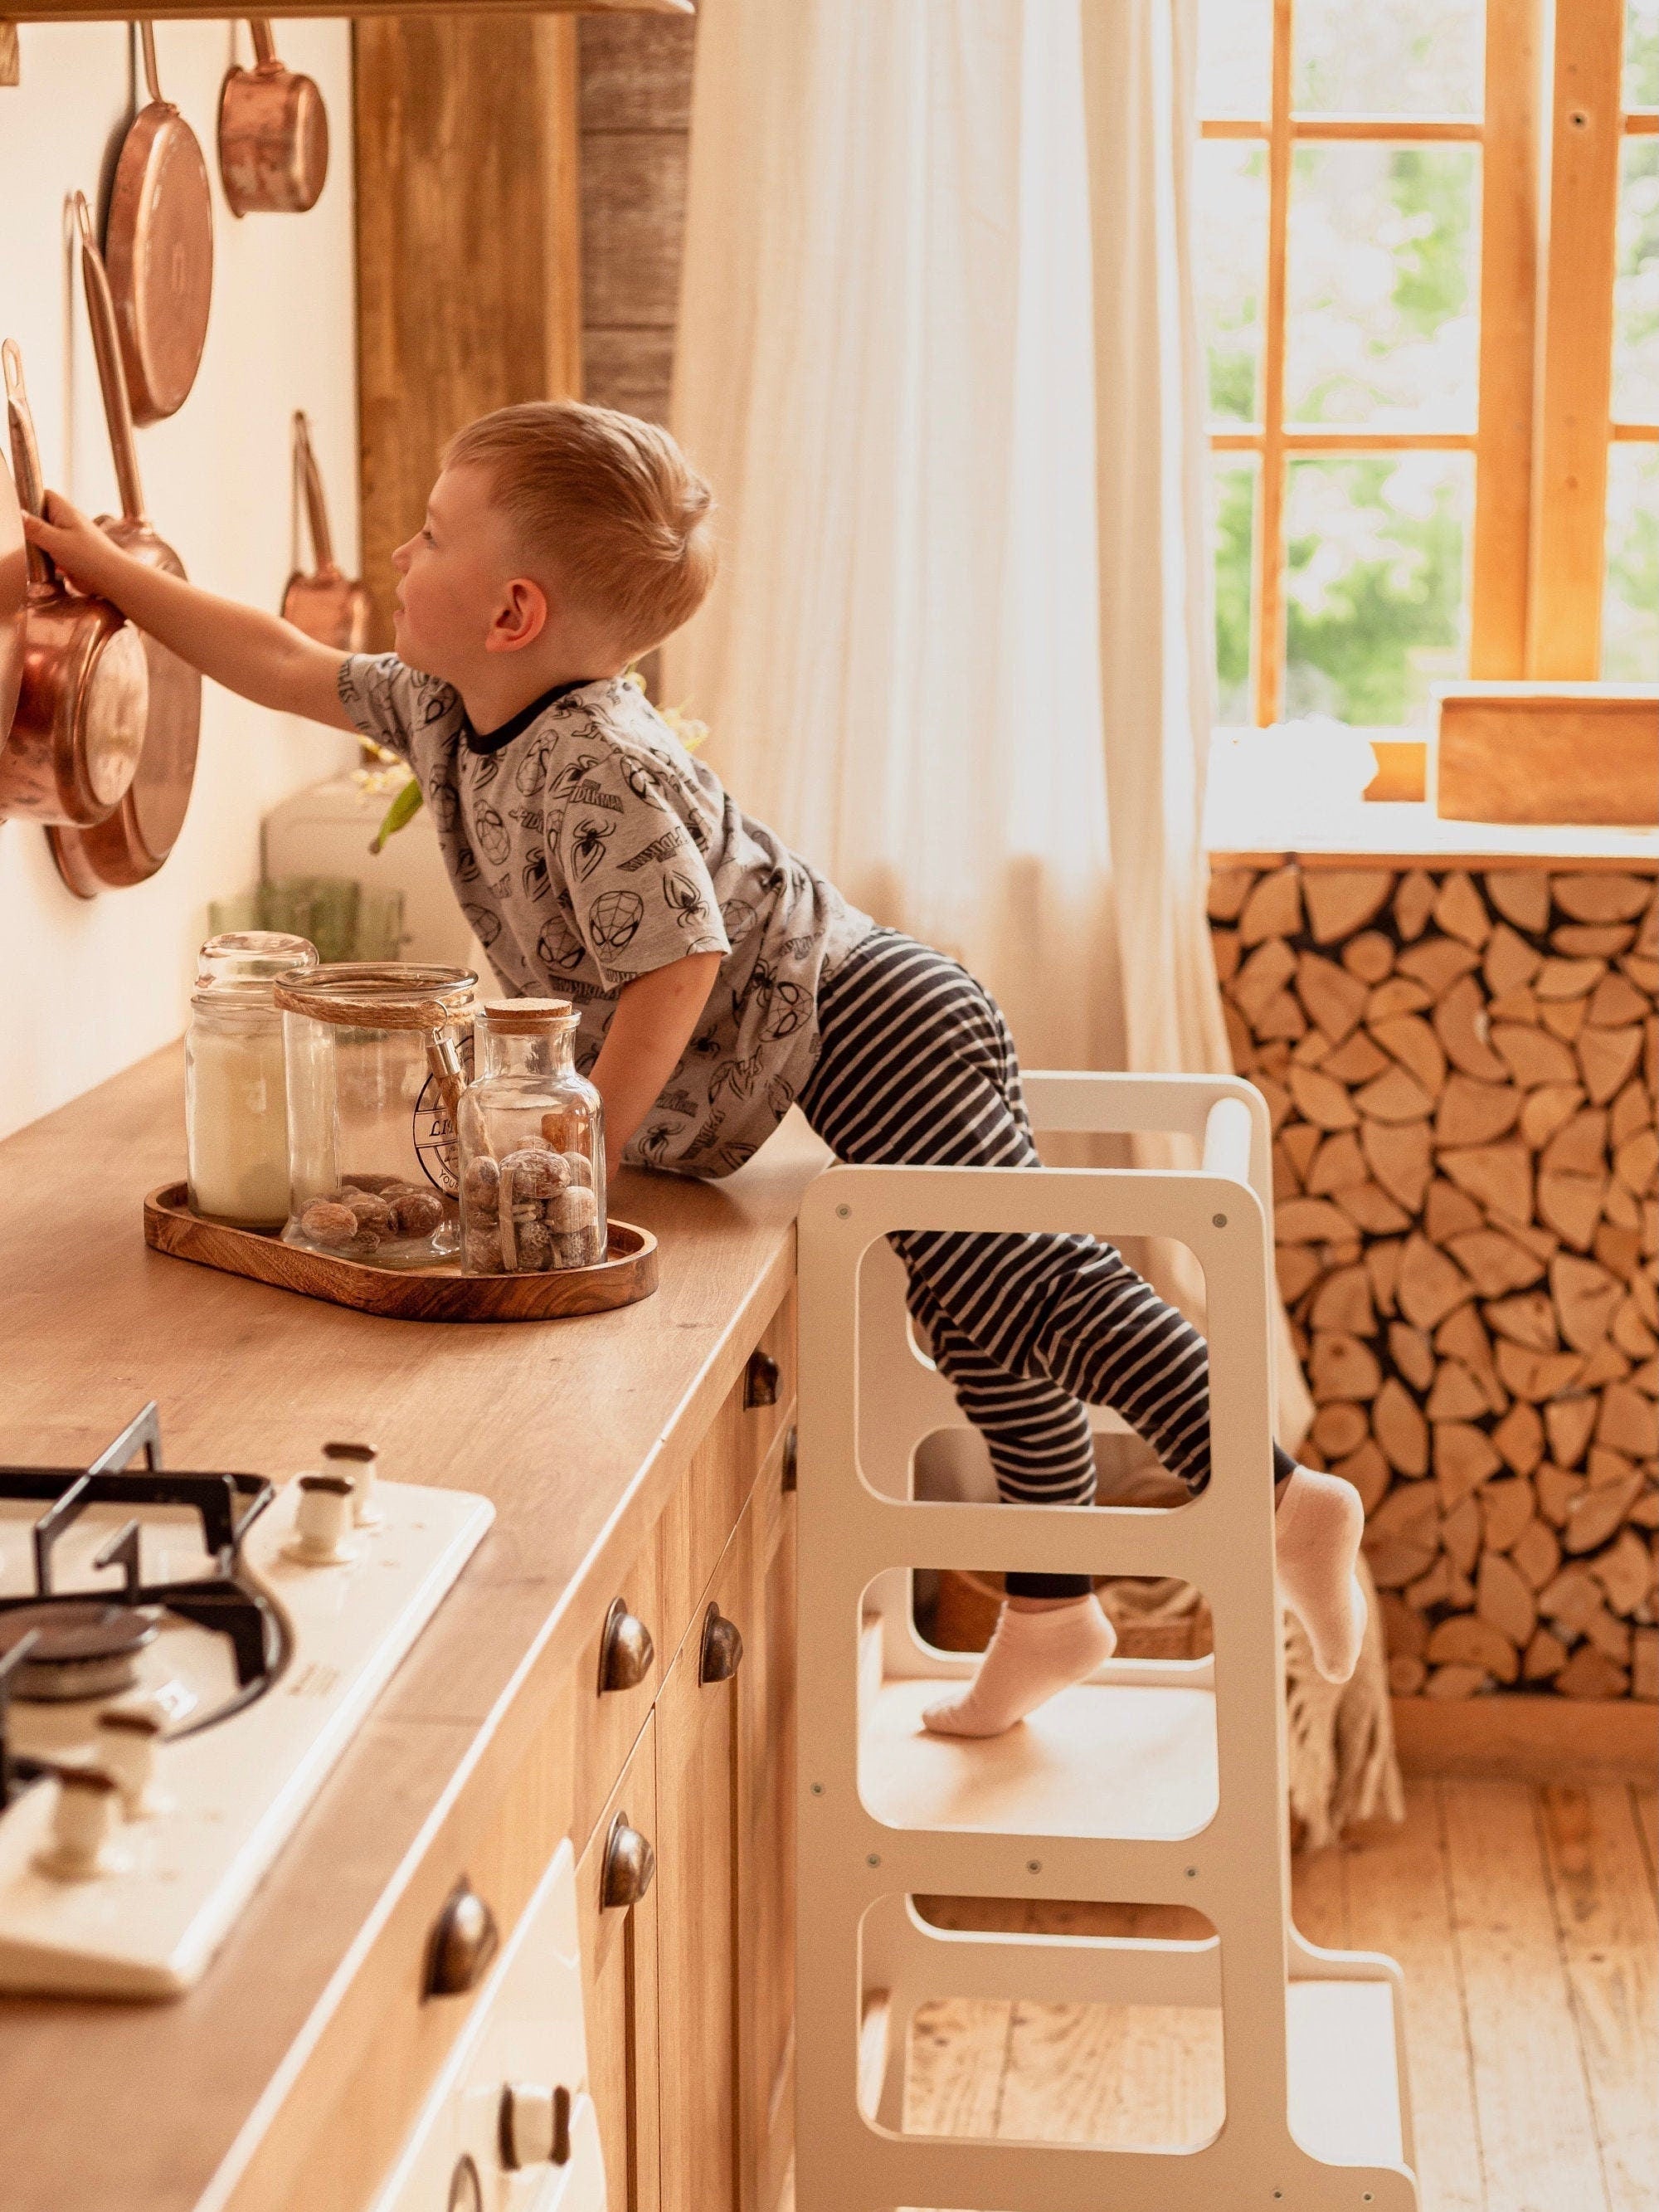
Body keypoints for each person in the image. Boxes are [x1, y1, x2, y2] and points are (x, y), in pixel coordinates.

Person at [27, 399, 1366, 1733]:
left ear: (512, 611)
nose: (398, 554)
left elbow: (682, 960)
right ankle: (1054, 1607)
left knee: (1016, 1283)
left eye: (430, 535)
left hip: (871, 1018)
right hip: (833, 1037)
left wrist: (589, 1143)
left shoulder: (594, 763)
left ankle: (1280, 1496)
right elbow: (278, 657)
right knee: (975, 1314)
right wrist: (113, 579)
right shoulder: (446, 706)